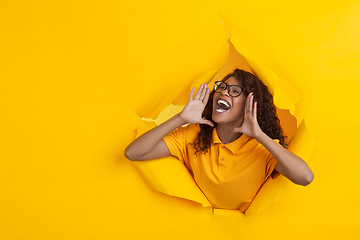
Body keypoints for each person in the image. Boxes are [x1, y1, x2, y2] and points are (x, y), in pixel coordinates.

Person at [125, 69, 314, 212]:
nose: (223, 92)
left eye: (234, 91)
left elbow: (305, 177)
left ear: (249, 105)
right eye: (221, 87)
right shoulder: (192, 136)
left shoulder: (261, 147)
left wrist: (260, 136)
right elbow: (133, 153)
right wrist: (180, 119)